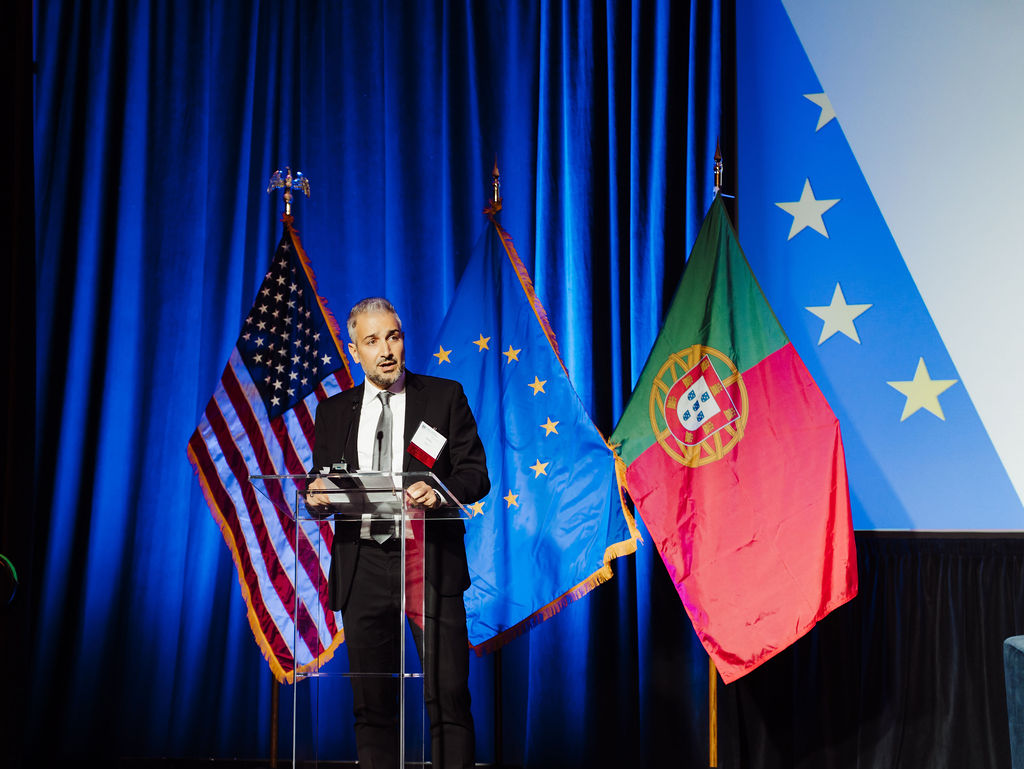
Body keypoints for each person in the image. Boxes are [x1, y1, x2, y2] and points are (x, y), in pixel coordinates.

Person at [308, 297, 489, 769]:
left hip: (427, 562)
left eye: (393, 336)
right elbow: (320, 483)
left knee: (448, 697)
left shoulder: (444, 397)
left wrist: (440, 492)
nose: (386, 350)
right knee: (371, 706)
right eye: (372, 341)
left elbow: (475, 475)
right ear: (355, 351)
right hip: (362, 564)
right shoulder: (333, 412)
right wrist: (315, 498)